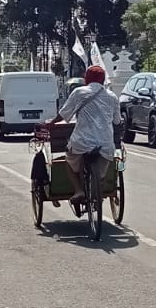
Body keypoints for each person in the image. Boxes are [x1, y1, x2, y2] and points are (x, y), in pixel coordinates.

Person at [46, 65, 119, 204]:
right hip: (106, 143)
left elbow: (64, 114)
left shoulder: (79, 92)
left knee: (68, 159)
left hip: (82, 141)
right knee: (103, 170)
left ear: (87, 79)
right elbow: (117, 121)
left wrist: (51, 124)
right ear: (103, 80)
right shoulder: (112, 96)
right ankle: (99, 187)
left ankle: (79, 190)